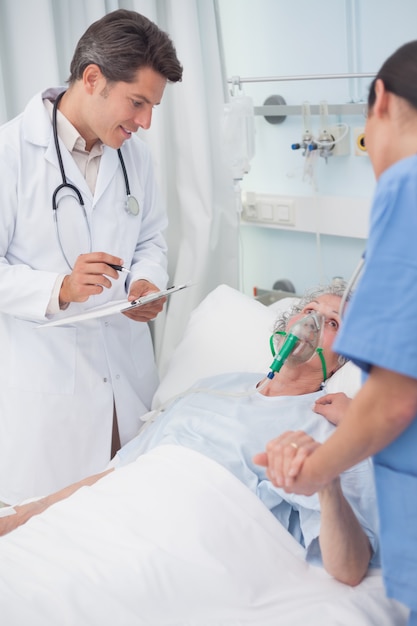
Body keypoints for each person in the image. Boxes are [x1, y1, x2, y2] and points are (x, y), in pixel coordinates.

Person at [0, 284, 379, 587]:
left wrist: (326, 485)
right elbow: (121, 474)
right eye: (309, 312)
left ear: (348, 354)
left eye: (332, 323)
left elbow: (349, 568)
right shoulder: (214, 387)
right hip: (115, 515)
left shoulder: (331, 424)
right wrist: (30, 511)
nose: (310, 325)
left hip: (187, 541)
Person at [255, 40, 417, 626]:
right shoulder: (224, 396)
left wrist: (318, 470)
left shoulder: (406, 186)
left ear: (378, 102)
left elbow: (396, 397)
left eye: (334, 322)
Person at [0, 9, 183, 505]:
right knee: (49, 546)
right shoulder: (10, 154)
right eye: (138, 102)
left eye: (153, 107)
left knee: (129, 521)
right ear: (93, 78)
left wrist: (146, 282)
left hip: (127, 387)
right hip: (51, 400)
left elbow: (151, 240)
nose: (145, 122)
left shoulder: (135, 156)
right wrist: (58, 288)